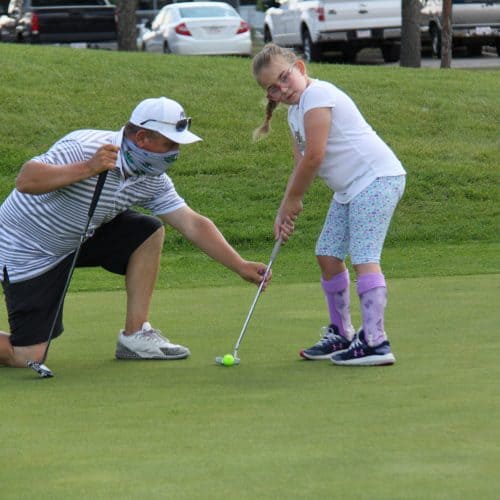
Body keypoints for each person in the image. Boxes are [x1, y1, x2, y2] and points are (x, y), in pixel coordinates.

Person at [0, 96, 272, 369]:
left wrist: (240, 265)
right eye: (170, 144)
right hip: (23, 250)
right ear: (142, 138)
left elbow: (191, 223)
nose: (175, 152)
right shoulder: (84, 146)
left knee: (146, 232)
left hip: (74, 239)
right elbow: (26, 180)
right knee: (27, 356)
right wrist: (88, 168)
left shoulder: (151, 178)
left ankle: (135, 336)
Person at [252, 44, 406, 366]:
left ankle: (376, 341)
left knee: (364, 256)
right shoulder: (295, 113)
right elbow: (300, 165)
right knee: (328, 255)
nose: (282, 89)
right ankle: (342, 333)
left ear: (300, 68)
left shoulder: (318, 94)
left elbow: (315, 156)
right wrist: (285, 209)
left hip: (376, 178)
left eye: (284, 77)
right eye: (273, 88)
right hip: (350, 190)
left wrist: (293, 199)